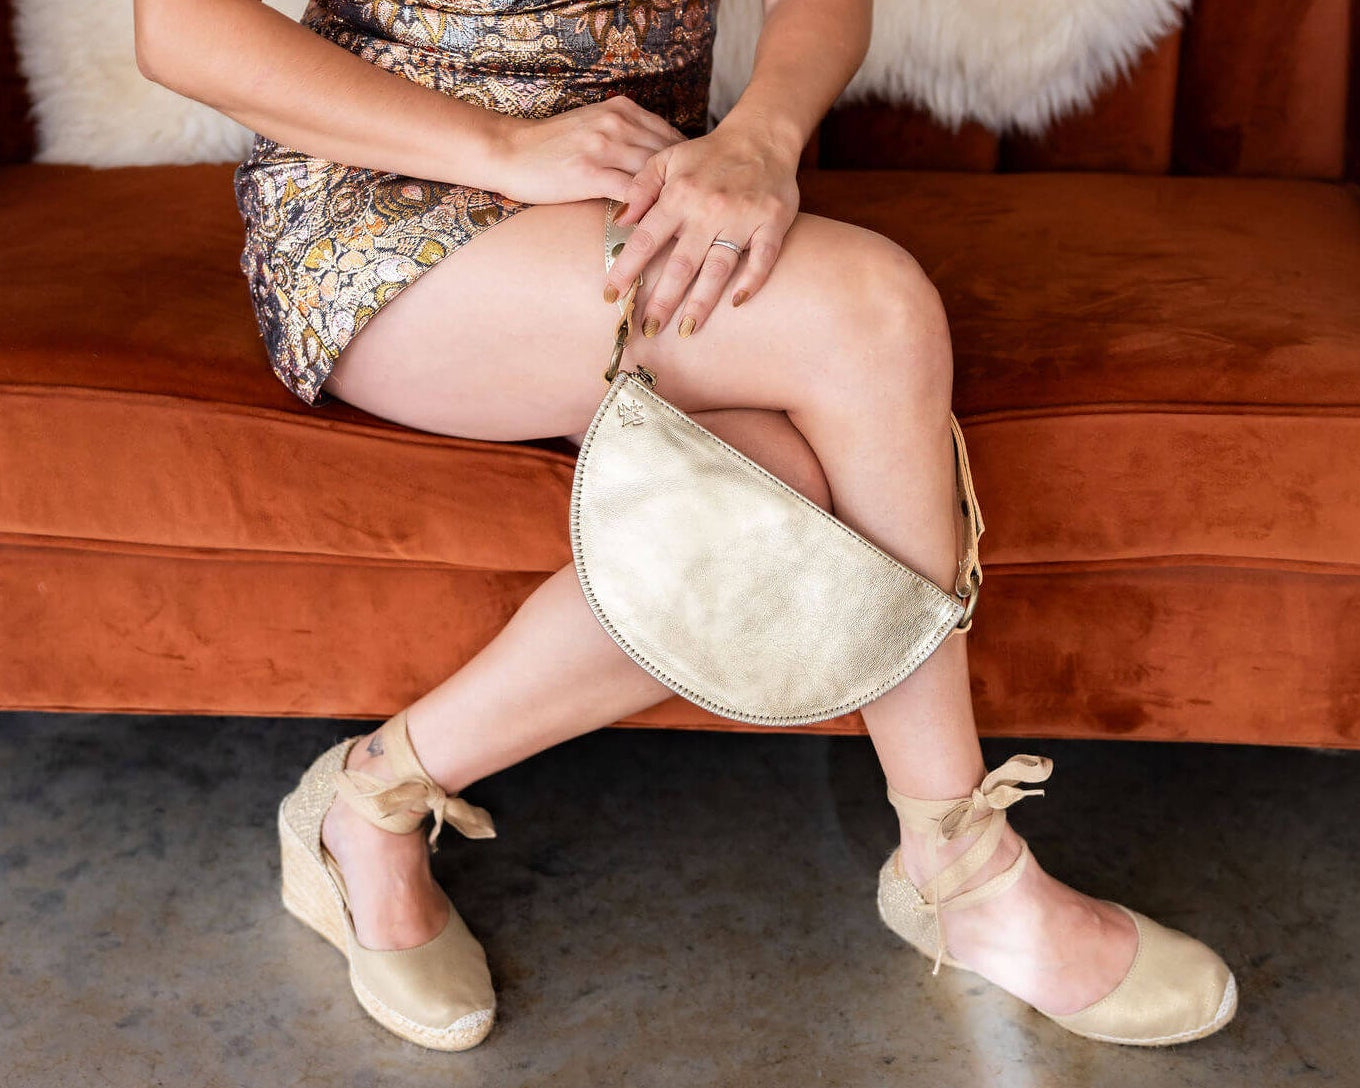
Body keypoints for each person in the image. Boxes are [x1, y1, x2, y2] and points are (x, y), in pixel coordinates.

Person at [134, 0, 1236, 1053]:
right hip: (384, 200)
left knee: (783, 496)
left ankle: (373, 790)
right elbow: (175, 27)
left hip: (643, 191)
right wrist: (505, 151)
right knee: (873, 310)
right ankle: (965, 871)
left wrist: (762, 136)